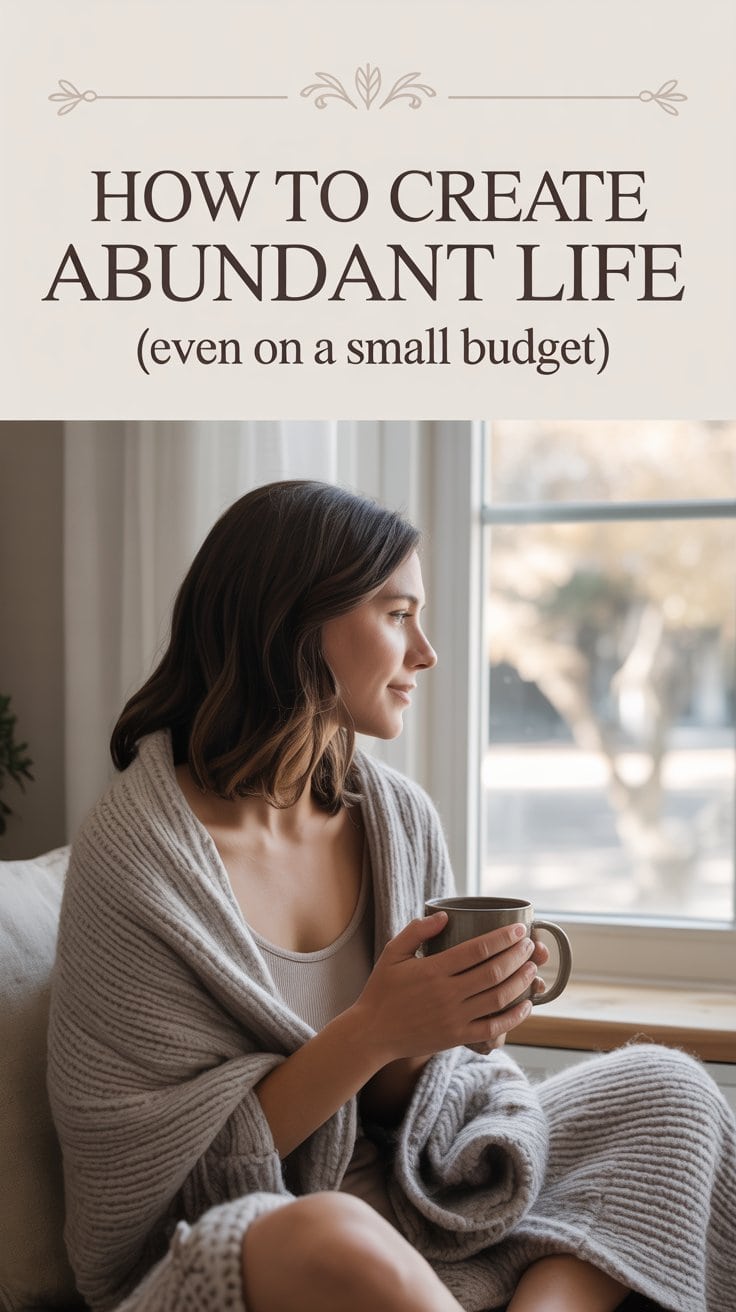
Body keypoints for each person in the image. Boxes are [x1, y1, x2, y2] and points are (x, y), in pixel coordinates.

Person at [48, 480, 736, 1312]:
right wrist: (373, 1030)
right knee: (332, 1233)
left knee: (666, 1091)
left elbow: (397, 1111)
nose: (427, 653)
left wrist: (433, 1032)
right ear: (296, 621)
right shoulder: (138, 862)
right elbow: (146, 1189)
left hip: (410, 1207)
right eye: (397, 614)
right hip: (248, 1246)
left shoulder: (397, 819)